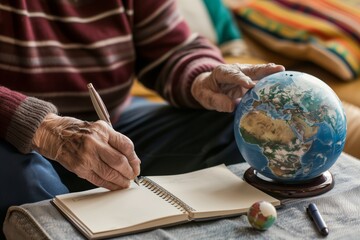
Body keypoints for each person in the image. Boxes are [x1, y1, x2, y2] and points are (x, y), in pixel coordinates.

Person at [0, 0, 284, 234]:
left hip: (111, 124)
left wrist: (203, 79)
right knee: (36, 197)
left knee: (242, 123)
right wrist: (47, 131)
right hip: (12, 135)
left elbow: (172, 48)